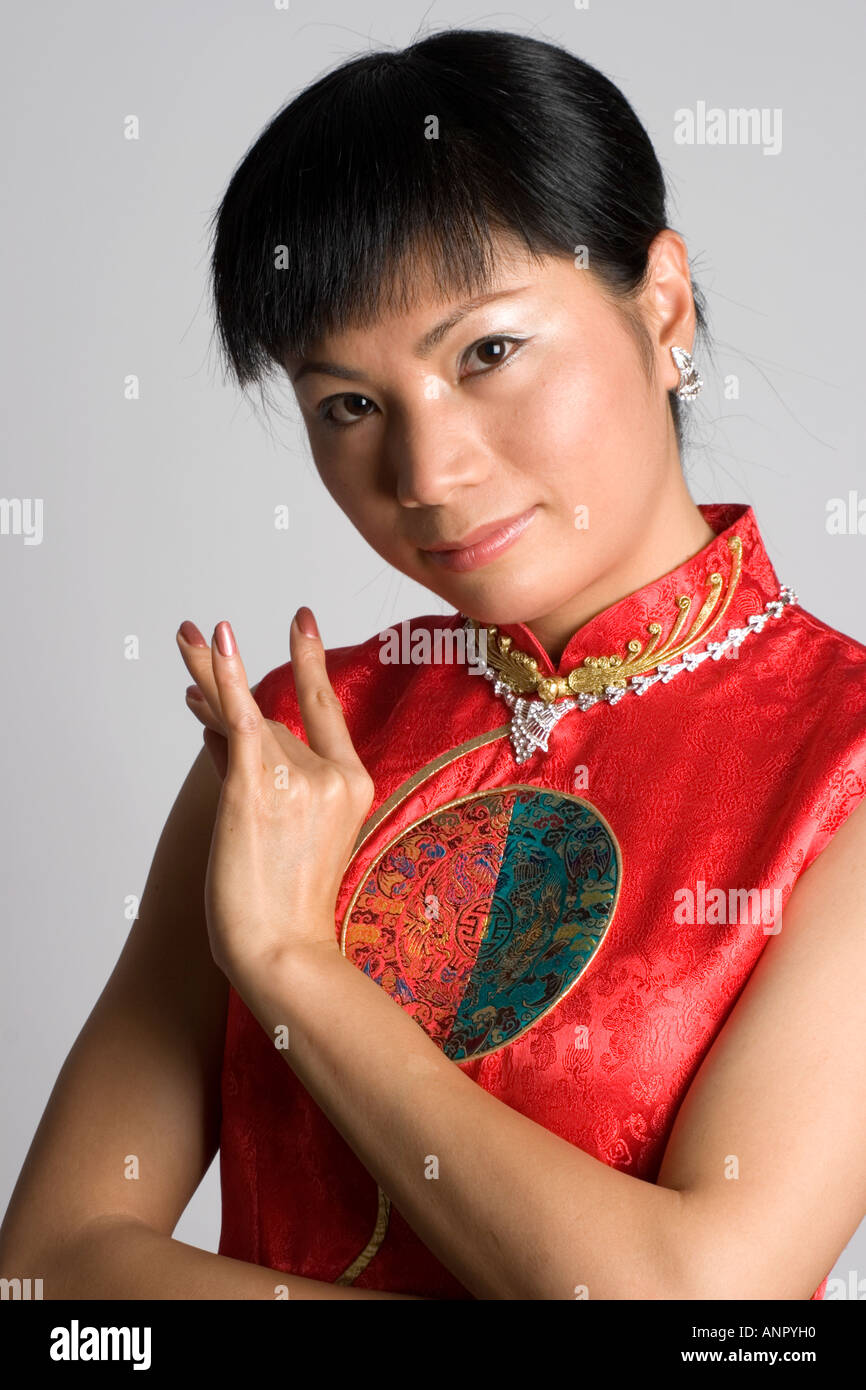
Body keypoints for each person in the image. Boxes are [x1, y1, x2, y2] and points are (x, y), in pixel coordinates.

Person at [2, 27, 865, 1302]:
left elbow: (696, 1312)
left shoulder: (838, 759)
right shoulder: (296, 748)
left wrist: (295, 963)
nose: (426, 471)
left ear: (661, 303)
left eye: (486, 353)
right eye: (347, 405)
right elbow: (50, 1286)